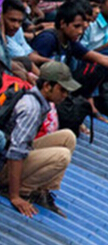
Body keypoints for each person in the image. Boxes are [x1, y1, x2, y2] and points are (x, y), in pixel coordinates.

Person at [2, 61, 80, 217]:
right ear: (47, 86)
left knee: (68, 137)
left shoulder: (36, 98)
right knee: (62, 156)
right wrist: (14, 196)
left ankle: (43, 190)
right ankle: (21, 191)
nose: (65, 95)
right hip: (4, 165)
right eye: (62, 90)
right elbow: (15, 153)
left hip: (7, 156)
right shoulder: (31, 108)